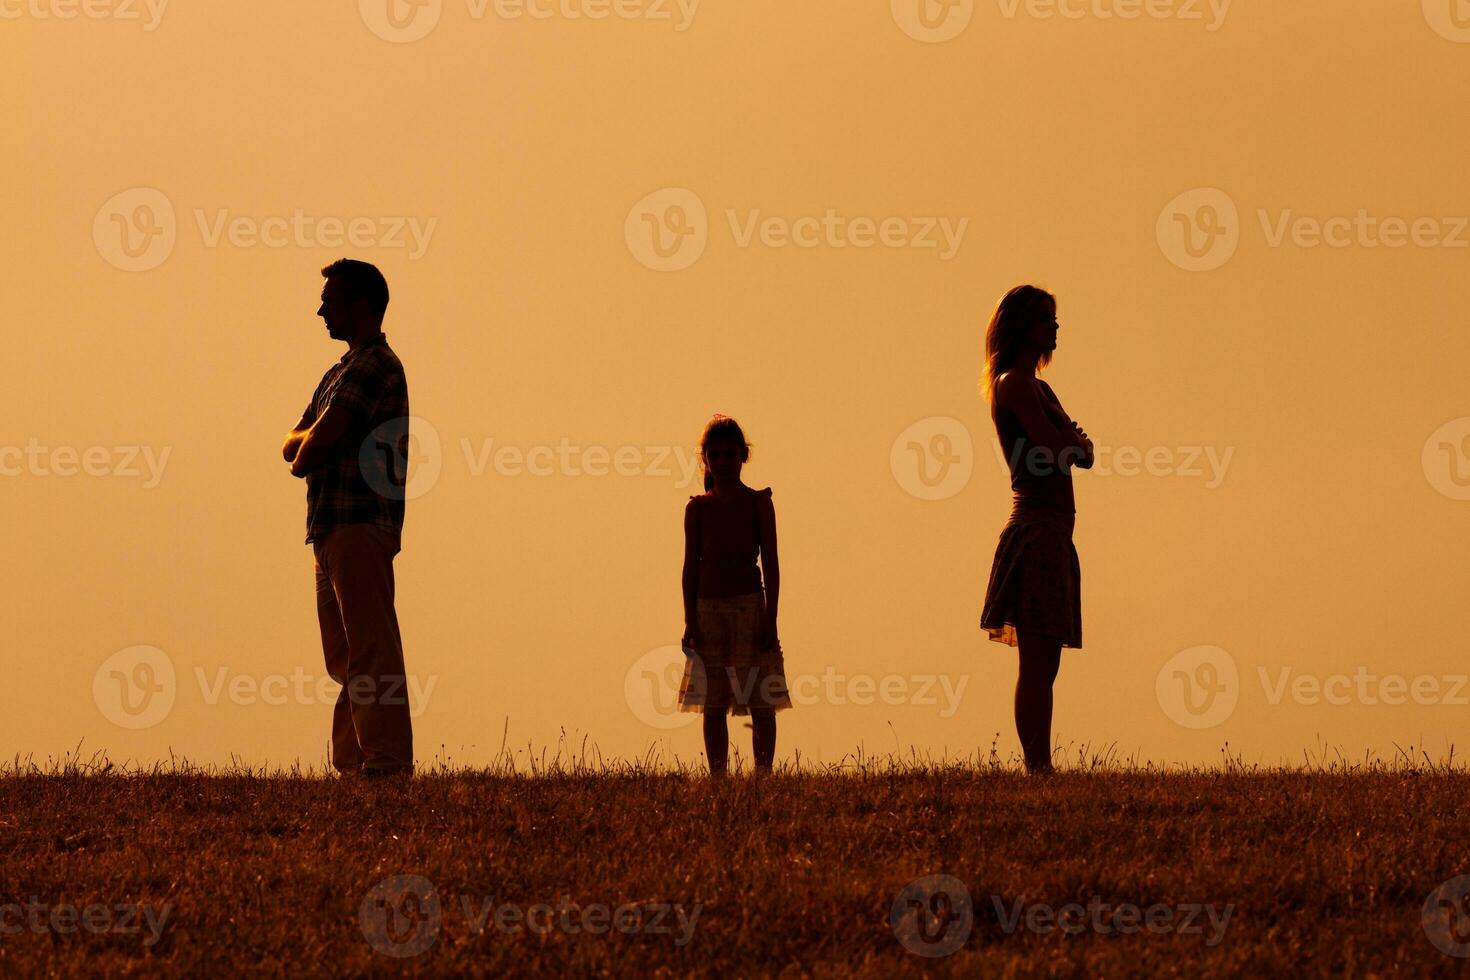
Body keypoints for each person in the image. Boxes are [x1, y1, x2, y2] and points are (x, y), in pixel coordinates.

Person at [282, 259, 414, 778]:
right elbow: (295, 440)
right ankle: (356, 767)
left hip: (359, 522)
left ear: (361, 304)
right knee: (346, 654)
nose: (321, 309)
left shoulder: (372, 366)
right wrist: (307, 444)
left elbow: (318, 438)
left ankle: (386, 764)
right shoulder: (340, 370)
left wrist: (308, 446)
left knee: (370, 647)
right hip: (332, 526)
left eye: (331, 299)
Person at [978, 285, 1094, 774]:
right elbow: (1055, 447)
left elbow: (1084, 453)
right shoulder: (1014, 384)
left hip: (1057, 531)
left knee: (1048, 660)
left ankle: (1039, 763)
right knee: (1036, 660)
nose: (1055, 327)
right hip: (1035, 528)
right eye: (1046, 318)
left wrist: (1070, 443)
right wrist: (1068, 440)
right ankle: (1036, 766)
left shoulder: (1040, 387)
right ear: (1023, 324)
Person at [678, 415, 791, 774]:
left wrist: (770, 617)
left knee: (761, 699)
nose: (724, 462)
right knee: (713, 702)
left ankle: (763, 774)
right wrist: (690, 619)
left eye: (730, 454)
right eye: (716, 455)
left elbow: (771, 564)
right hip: (709, 609)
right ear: (706, 459)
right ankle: (718, 775)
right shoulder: (697, 509)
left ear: (744, 456)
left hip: (749, 608)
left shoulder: (759, 503)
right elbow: (690, 568)